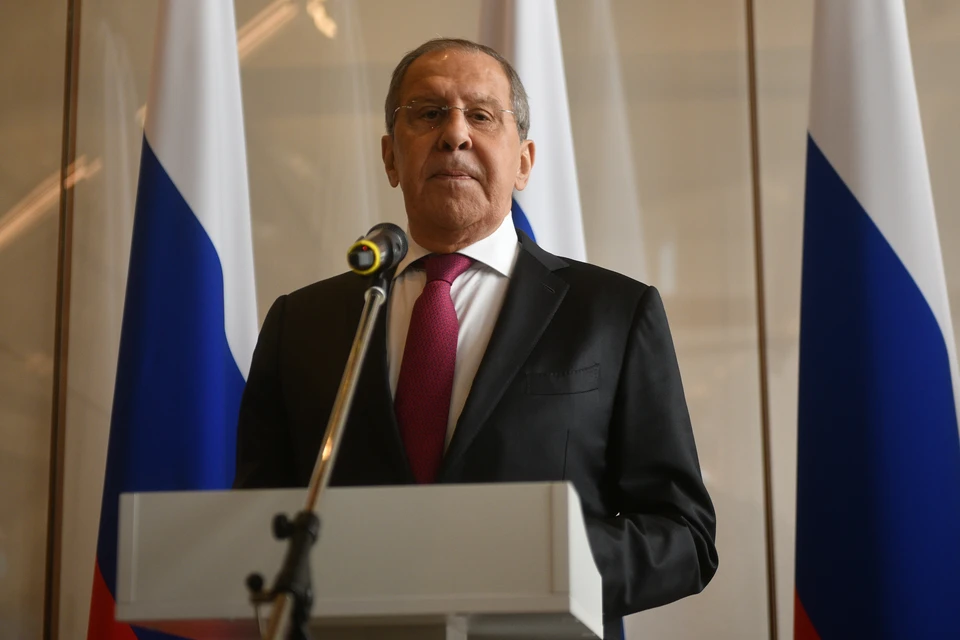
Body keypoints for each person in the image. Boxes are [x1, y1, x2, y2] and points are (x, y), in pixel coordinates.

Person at [234, 37, 718, 638]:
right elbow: (253, 530)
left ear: (524, 162)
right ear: (390, 157)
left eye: (483, 115)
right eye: (428, 113)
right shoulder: (304, 323)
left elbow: (683, 535)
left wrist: (543, 566)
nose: (455, 134)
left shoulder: (613, 313)